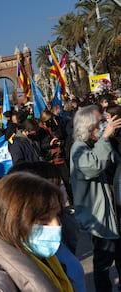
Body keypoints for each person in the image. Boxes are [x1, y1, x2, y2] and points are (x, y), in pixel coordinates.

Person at [0, 172, 73, 291]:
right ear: (12, 220)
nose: (57, 225)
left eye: (57, 215)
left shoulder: (43, 260)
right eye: (43, 218)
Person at [7, 161, 84, 292]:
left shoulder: (62, 224)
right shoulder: (10, 265)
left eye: (62, 185)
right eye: (57, 186)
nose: (55, 226)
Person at [70, 104, 121, 291]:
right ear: (89, 126)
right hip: (99, 217)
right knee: (104, 261)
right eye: (101, 121)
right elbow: (92, 167)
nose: (106, 123)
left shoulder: (100, 142)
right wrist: (106, 137)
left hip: (114, 211)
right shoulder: (78, 148)